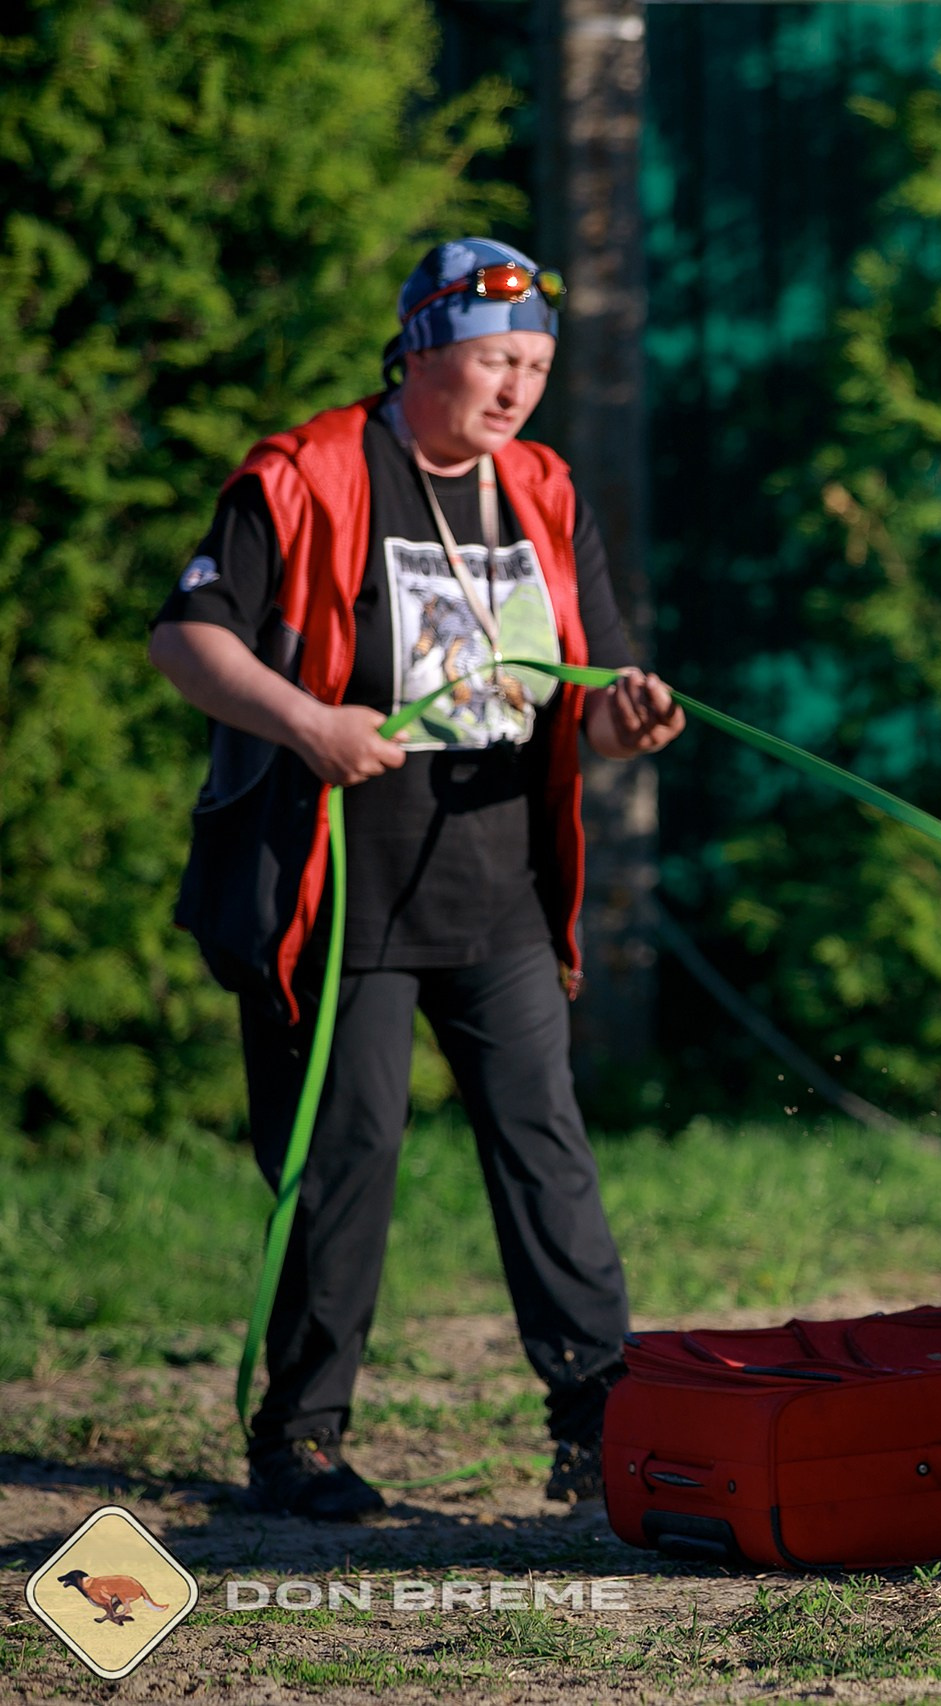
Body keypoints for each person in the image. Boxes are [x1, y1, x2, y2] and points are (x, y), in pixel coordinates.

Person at [148, 238, 685, 1521]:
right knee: (348, 1153)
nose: (518, 389)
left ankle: (599, 1421)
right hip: (341, 890)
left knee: (547, 1147)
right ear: (423, 352)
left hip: (500, 890)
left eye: (537, 366)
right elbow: (184, 637)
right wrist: (307, 722)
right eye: (497, 361)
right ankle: (301, 1436)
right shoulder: (309, 475)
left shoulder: (543, 488)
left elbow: (593, 691)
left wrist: (630, 721)